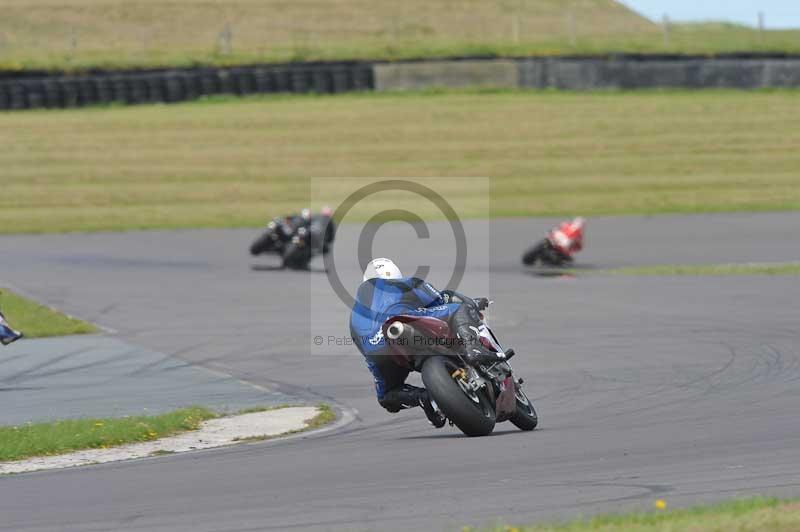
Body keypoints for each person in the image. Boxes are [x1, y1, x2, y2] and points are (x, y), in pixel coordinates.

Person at [349, 258, 500, 427]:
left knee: (387, 395)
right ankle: (474, 349)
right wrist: (471, 303)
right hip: (406, 320)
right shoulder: (406, 283)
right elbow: (443, 299)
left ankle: (424, 398)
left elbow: (362, 346)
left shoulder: (355, 312)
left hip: (377, 348)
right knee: (459, 309)